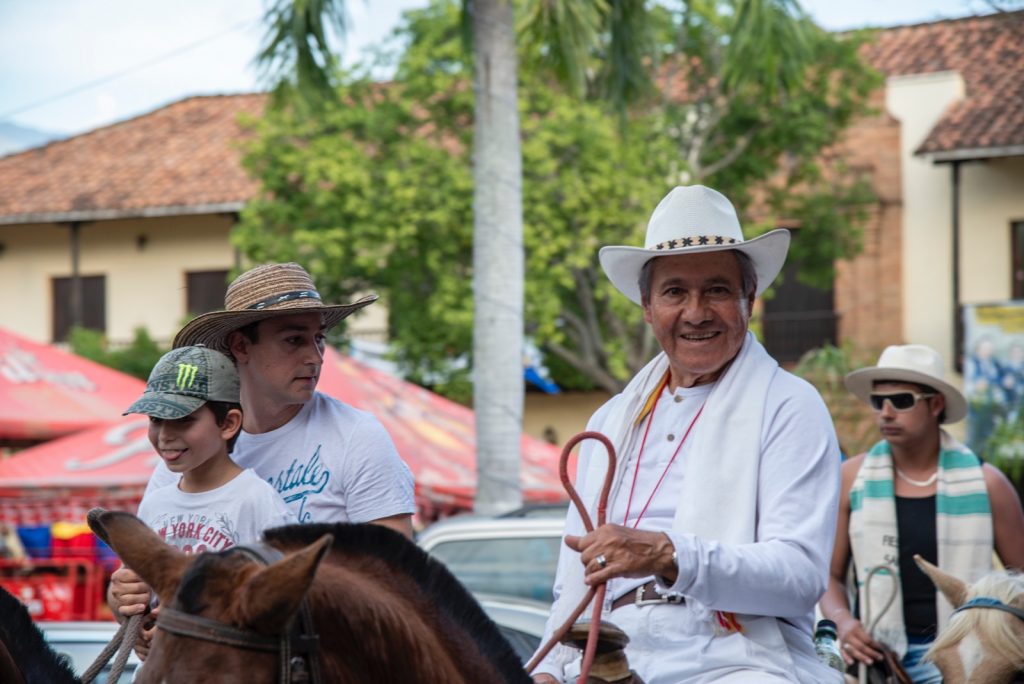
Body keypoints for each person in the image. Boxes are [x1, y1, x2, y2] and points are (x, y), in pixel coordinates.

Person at [531, 185, 843, 683]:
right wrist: (550, 668)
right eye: (675, 291)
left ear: (750, 299)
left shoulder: (789, 405)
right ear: (647, 306)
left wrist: (665, 554)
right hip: (606, 650)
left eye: (717, 290)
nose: (696, 312)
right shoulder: (611, 419)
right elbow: (574, 579)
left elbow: (798, 577)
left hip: (738, 657)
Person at [109, 263, 416, 652]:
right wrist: (127, 604)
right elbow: (144, 586)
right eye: (294, 340)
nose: (316, 357)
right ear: (240, 346)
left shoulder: (358, 437)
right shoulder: (189, 452)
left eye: (318, 339)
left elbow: (394, 578)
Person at [819, 344, 1024, 683]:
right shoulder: (851, 479)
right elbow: (827, 574)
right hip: (877, 657)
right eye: (876, 401)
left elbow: (1020, 581)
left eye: (901, 401)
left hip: (969, 655)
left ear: (936, 404)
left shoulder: (987, 483)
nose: (885, 413)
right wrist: (844, 623)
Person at [116, 344, 296, 658]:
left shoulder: (255, 502)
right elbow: (135, 598)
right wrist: (127, 611)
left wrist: (189, 630)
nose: (164, 435)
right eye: (156, 420)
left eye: (183, 420)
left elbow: (285, 608)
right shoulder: (155, 504)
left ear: (228, 424)